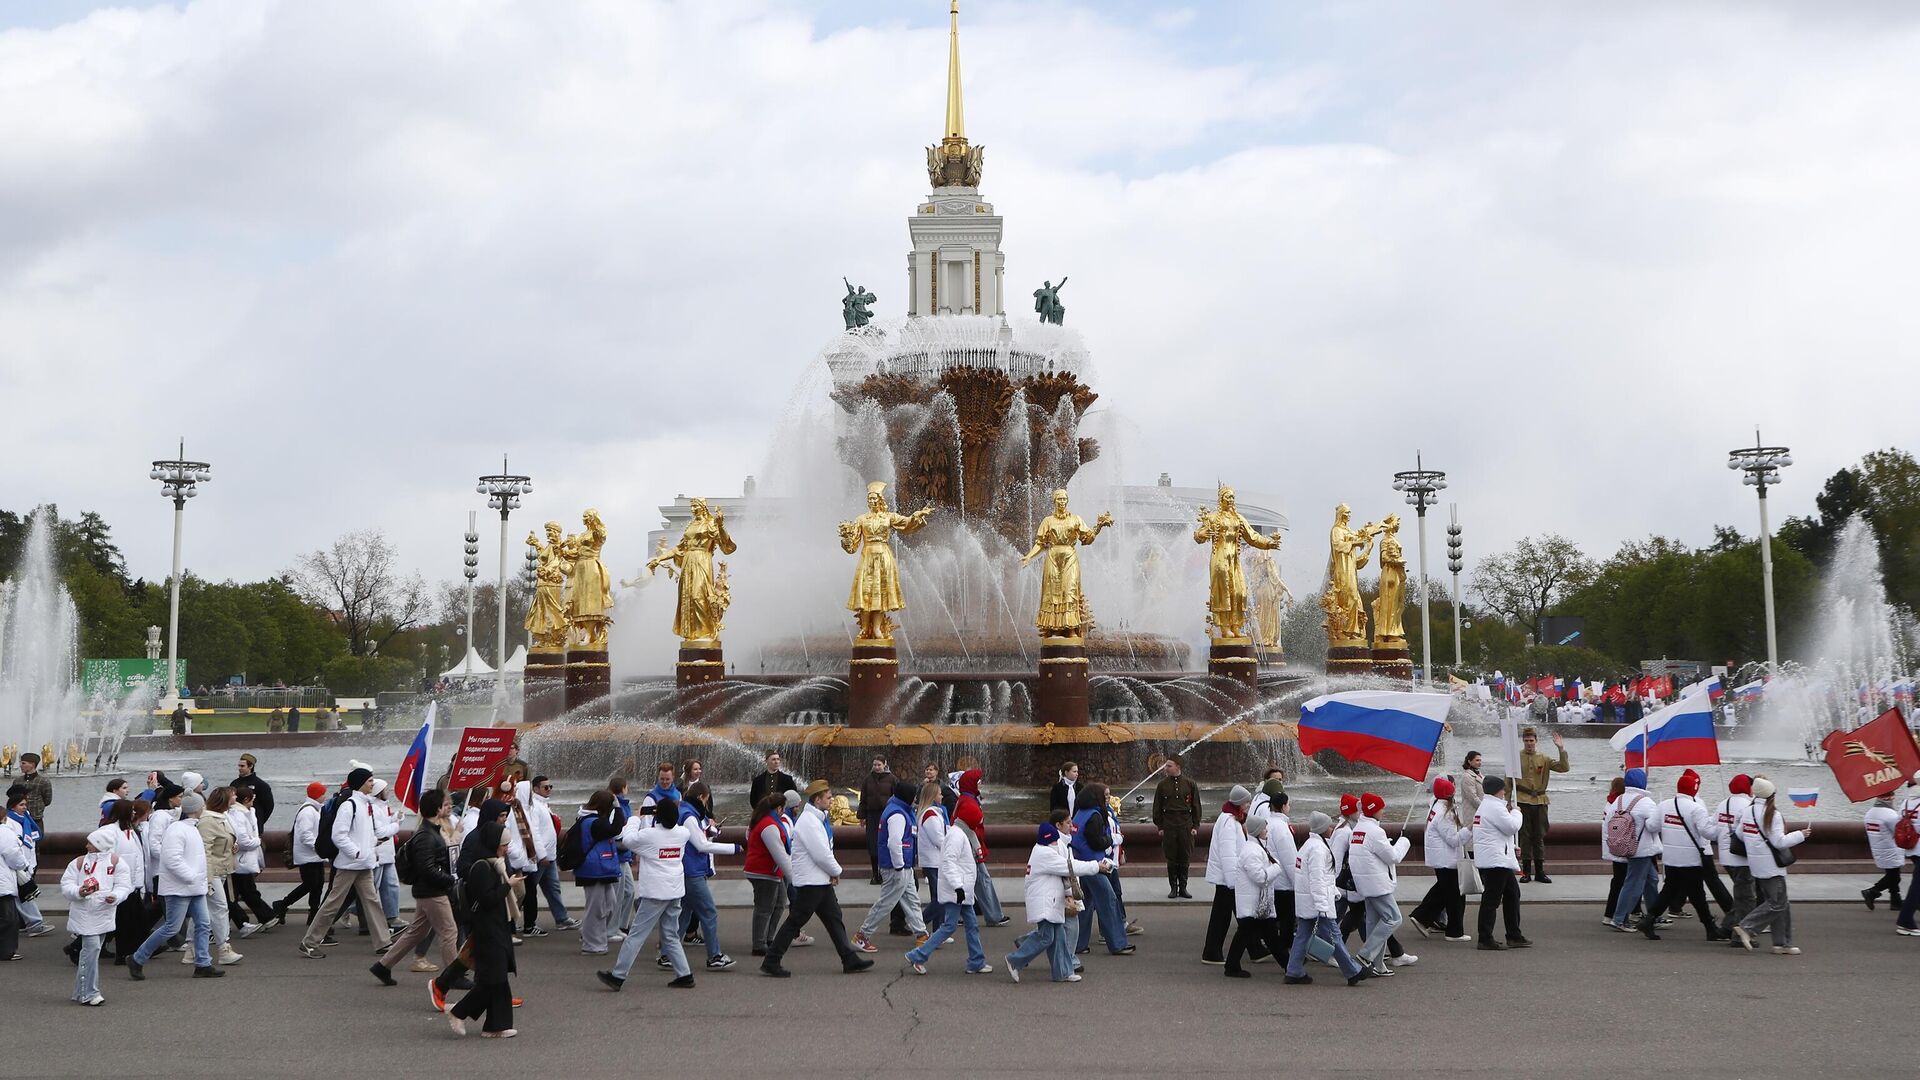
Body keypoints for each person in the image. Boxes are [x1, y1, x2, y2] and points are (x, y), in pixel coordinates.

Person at [763, 781, 874, 977]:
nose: (832, 801)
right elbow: (821, 854)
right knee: (795, 921)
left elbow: (823, 852)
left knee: (834, 919)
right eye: (829, 798)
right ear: (817, 799)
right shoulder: (809, 822)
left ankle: (849, 959)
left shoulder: (814, 819)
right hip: (811, 882)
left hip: (818, 880)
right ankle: (771, 960)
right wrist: (836, 871)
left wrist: (831, 872)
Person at [600, 798, 711, 990]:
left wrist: (636, 817)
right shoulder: (683, 833)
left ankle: (618, 976)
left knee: (636, 935)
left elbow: (627, 839)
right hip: (675, 890)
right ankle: (684, 974)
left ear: (657, 816)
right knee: (670, 935)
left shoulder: (649, 835)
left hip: (656, 892)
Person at [299, 768, 394, 958]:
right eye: (369, 781)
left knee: (372, 902)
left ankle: (383, 943)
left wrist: (370, 848)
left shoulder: (364, 804)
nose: (372, 784)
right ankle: (309, 942)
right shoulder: (349, 805)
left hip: (362, 863)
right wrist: (357, 852)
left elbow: (365, 835)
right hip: (350, 865)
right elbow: (339, 835)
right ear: (360, 783)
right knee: (333, 903)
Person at [127, 792, 223, 979]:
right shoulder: (179, 829)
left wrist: (195, 879)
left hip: (192, 886)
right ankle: (137, 958)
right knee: (172, 927)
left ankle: (203, 963)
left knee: (203, 923)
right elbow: (172, 859)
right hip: (181, 887)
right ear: (197, 809)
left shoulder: (187, 828)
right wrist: (191, 877)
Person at [370, 788, 460, 985]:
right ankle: (453, 977)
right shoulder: (427, 835)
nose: (449, 807)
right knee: (449, 931)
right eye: (445, 804)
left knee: (416, 932)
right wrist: (449, 879)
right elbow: (426, 869)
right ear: (437, 809)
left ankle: (383, 966)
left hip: (427, 890)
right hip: (432, 891)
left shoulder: (429, 831)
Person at [1007, 814, 1105, 983]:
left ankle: (1063, 972)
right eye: (1053, 840)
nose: (1056, 843)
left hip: (1049, 900)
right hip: (1045, 902)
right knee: (1047, 937)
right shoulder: (1045, 853)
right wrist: (1097, 866)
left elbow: (1063, 873)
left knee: (1058, 937)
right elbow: (1070, 867)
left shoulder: (1042, 850)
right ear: (1049, 840)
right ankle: (1014, 960)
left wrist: (1067, 893)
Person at [445, 822, 519, 1038]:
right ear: (493, 844)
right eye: (504, 844)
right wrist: (508, 886)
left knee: (498, 979)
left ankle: (496, 1026)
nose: (506, 849)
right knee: (492, 979)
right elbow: (486, 899)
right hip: (487, 929)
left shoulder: (495, 864)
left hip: (497, 927)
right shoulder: (481, 867)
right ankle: (458, 1011)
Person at [906, 789, 990, 975]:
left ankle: (976, 961)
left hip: (961, 890)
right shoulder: (956, 836)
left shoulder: (957, 833)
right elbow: (949, 862)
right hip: (958, 890)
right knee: (949, 926)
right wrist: (958, 887)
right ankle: (918, 955)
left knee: (969, 925)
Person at [1639, 768, 1727, 941]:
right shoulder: (1696, 808)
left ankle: (1649, 920)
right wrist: (1722, 826)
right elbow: (1707, 833)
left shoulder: (1664, 805)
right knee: (1697, 894)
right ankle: (1710, 928)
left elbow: (1651, 827)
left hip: (1671, 857)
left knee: (1669, 890)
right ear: (1694, 789)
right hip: (1691, 860)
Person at [1285, 812, 1369, 986]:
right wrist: (1323, 905)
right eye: (1328, 826)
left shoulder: (1310, 846)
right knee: (1334, 937)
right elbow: (1317, 879)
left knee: (1302, 936)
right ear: (1323, 830)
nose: (1331, 829)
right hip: (1318, 904)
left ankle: (1294, 971)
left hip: (1308, 903)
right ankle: (1352, 971)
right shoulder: (1318, 849)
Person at [1732, 777, 1809, 954]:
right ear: (1771, 795)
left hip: (1756, 864)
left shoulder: (1747, 811)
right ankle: (1747, 927)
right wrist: (1801, 835)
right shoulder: (1773, 814)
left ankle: (1781, 943)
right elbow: (1779, 842)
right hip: (1772, 866)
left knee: (1782, 904)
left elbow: (1740, 835)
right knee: (1778, 903)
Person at [62, 827, 133, 1004]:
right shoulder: (78, 862)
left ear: (100, 845)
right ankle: (90, 993)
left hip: (104, 912)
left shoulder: (117, 862)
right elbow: (66, 885)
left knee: (92, 952)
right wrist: (79, 891)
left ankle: (79, 992)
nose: (87, 846)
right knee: (91, 950)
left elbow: (124, 886)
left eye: (91, 843)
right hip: (84, 913)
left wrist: (115, 897)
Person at [856, 779, 926, 952]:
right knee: (886, 903)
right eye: (915, 796)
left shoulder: (898, 809)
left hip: (902, 866)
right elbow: (894, 843)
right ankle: (862, 935)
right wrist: (900, 866)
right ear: (908, 797)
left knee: (912, 900)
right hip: (897, 867)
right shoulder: (898, 815)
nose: (916, 799)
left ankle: (922, 934)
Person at [674, 782, 737, 967]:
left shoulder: (686, 811)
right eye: (706, 800)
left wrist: (708, 831)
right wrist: (734, 848)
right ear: (702, 797)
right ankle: (714, 956)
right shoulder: (690, 816)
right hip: (693, 871)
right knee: (708, 912)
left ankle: (668, 953)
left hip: (687, 869)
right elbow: (701, 845)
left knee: (684, 913)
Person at [1349, 792, 1412, 975]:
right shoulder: (1375, 831)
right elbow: (1394, 856)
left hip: (1366, 883)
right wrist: (1405, 840)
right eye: (1381, 808)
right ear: (1373, 810)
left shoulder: (1359, 829)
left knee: (1373, 922)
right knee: (1394, 919)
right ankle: (1365, 955)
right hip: (1377, 884)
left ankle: (1377, 965)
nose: (1383, 811)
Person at [1070, 782, 1133, 956]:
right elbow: (1097, 842)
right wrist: (1113, 839)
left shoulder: (1079, 814)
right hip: (1094, 865)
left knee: (1085, 906)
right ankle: (1118, 943)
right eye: (1105, 796)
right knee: (1109, 902)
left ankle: (1079, 944)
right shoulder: (1095, 816)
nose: (1108, 799)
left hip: (1081, 865)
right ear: (1095, 797)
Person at [1225, 814, 1292, 978]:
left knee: (1265, 935)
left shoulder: (1257, 848)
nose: (1266, 830)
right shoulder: (1252, 851)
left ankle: (1289, 965)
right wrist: (1277, 868)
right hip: (1253, 903)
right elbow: (1261, 878)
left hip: (1257, 903)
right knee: (1251, 934)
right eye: (1264, 828)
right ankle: (1290, 966)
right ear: (1257, 831)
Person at [1472, 775, 1528, 950]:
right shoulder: (1495, 807)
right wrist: (1517, 812)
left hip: (1496, 857)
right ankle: (1485, 938)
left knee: (1512, 895)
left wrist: (1512, 846)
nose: (1504, 792)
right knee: (1491, 900)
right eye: (1503, 789)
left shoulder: (1486, 805)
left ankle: (1514, 935)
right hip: (1496, 860)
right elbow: (1512, 827)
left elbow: (1495, 834)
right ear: (1498, 790)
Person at [1409, 777, 1469, 941]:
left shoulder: (1435, 806)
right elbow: (1454, 840)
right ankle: (1453, 931)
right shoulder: (1445, 813)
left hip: (1440, 857)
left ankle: (1422, 916)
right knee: (1454, 895)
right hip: (1447, 859)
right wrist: (1469, 830)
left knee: (1444, 891)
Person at [1201, 784, 1254, 965]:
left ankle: (1213, 951)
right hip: (1228, 878)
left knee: (1225, 916)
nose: (1248, 805)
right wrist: (1233, 881)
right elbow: (1228, 854)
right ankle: (1253, 949)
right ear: (1239, 803)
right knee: (1235, 916)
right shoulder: (1230, 822)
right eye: (1246, 802)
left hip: (1227, 877)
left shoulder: (1230, 819)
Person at [517, 776, 576, 934]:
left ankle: (561, 918)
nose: (549, 789)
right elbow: (534, 832)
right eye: (545, 787)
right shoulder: (534, 806)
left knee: (553, 888)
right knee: (526, 891)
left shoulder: (542, 804)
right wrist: (541, 855)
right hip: (540, 857)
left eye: (550, 786)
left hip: (548, 856)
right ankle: (514, 921)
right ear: (535, 789)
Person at [1606, 768, 1662, 932]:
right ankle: (1619, 919)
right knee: (1634, 884)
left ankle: (1654, 915)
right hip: (1642, 849)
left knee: (1652, 880)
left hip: (1625, 846)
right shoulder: (1646, 802)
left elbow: (1609, 821)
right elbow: (1653, 826)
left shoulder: (1619, 800)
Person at [194, 786, 244, 966]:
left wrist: (231, 846)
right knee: (220, 909)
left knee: (202, 911)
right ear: (224, 799)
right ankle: (223, 949)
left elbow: (221, 841)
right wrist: (207, 878)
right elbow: (205, 850)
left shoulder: (222, 816)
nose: (236, 796)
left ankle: (191, 951)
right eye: (233, 795)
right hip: (213, 872)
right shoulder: (209, 820)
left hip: (220, 869)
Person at [1514, 727, 1569, 882]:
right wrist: (1508, 802)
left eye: (1531, 740)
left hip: (1540, 801)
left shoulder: (1544, 758)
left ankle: (1539, 871)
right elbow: (1508, 781)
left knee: (1539, 836)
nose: (1529, 743)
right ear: (1523, 741)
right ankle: (1525, 872)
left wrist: (1561, 749)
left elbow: (1564, 768)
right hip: (1522, 800)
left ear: (1536, 741)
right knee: (1524, 837)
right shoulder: (1516, 758)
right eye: (1526, 741)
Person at [743, 792, 794, 957]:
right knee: (764, 908)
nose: (785, 811)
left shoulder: (764, 821)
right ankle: (759, 944)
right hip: (763, 872)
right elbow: (779, 854)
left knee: (779, 903)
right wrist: (796, 879)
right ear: (779, 808)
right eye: (784, 808)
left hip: (768, 872)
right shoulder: (769, 825)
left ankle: (768, 938)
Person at [273, 782, 329, 928]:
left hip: (314, 856)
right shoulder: (308, 812)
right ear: (318, 795)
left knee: (317, 885)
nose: (325, 796)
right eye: (323, 793)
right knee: (311, 884)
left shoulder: (314, 809)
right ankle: (283, 904)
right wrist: (320, 848)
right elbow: (305, 835)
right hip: (307, 856)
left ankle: (313, 914)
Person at [3, 785, 52, 938]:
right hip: (18, 864)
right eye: (22, 805)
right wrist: (22, 865)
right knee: (26, 894)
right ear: (12, 806)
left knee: (21, 896)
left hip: (27, 862)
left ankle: (27, 923)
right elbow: (12, 847)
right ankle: (35, 924)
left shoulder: (25, 818)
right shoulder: (9, 822)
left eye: (26, 804)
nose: (25, 807)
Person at [104, 800, 150, 964]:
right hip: (119, 884)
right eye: (130, 810)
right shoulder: (111, 831)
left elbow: (136, 856)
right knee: (122, 921)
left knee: (133, 919)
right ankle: (124, 953)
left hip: (131, 883)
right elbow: (108, 858)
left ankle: (138, 948)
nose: (133, 813)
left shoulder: (128, 830)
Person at [1152, 755, 1202, 899]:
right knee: (1171, 857)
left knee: (1185, 856)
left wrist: (1195, 825)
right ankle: (1173, 888)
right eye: (1166, 766)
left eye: (1169, 766)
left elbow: (1196, 806)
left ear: (1178, 767)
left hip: (1185, 824)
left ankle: (1183, 888)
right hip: (1169, 824)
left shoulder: (1190, 784)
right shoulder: (1162, 785)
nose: (1166, 768)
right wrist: (1160, 825)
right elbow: (1157, 807)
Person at [1716, 774, 1758, 940]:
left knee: (1742, 895)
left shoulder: (1722, 804)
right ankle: (1740, 936)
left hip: (1726, 857)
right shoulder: (1749, 805)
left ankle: (1726, 928)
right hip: (1742, 858)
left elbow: (1711, 830)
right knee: (1747, 898)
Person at [226, 785, 273, 932]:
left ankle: (259, 918)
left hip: (241, 860)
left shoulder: (246, 812)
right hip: (239, 861)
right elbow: (243, 840)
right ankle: (263, 917)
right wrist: (257, 841)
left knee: (238, 892)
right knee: (235, 894)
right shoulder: (239, 815)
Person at [368, 780, 405, 933]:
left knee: (392, 886)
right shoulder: (374, 808)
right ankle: (351, 909)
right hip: (378, 854)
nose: (388, 791)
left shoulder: (382, 807)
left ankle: (392, 917)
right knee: (372, 889)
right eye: (385, 789)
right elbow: (380, 832)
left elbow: (386, 824)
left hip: (387, 854)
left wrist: (396, 818)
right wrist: (396, 825)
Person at [1861, 794, 1905, 911]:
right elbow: (1899, 831)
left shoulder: (1870, 812)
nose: (1893, 799)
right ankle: (1872, 892)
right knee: (1894, 877)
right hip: (1891, 848)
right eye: (1892, 797)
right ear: (1887, 798)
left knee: (1892, 874)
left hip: (1878, 848)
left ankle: (1895, 901)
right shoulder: (1890, 814)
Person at [858, 755, 896, 886]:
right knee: (873, 844)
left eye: (879, 765)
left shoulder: (892, 779)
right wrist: (861, 816)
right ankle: (875, 874)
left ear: (885, 764)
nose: (876, 767)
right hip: (872, 815)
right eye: (875, 765)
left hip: (886, 816)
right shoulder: (868, 779)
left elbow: (896, 797)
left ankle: (887, 874)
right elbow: (863, 798)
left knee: (886, 843)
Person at [0, 792, 28, 961]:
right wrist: (23, 866)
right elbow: (15, 857)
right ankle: (6, 951)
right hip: (2, 882)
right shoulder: (5, 833)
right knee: (9, 919)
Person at [1600, 776, 1630, 925]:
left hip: (1612, 846)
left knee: (1620, 880)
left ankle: (1611, 913)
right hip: (1622, 847)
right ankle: (1613, 914)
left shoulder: (1610, 802)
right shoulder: (1621, 804)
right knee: (1626, 881)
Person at [230, 753, 274, 828]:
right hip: (236, 823)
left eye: (242, 766)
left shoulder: (261, 785)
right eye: (239, 766)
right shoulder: (234, 784)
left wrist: (259, 821)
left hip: (255, 824)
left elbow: (269, 806)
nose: (240, 768)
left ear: (251, 766)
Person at [15, 752, 51, 826]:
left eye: (23, 763)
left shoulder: (43, 781)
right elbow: (13, 799)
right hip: (19, 820)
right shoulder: (17, 781)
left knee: (38, 837)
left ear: (32, 764)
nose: (21, 766)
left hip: (36, 820)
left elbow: (47, 801)